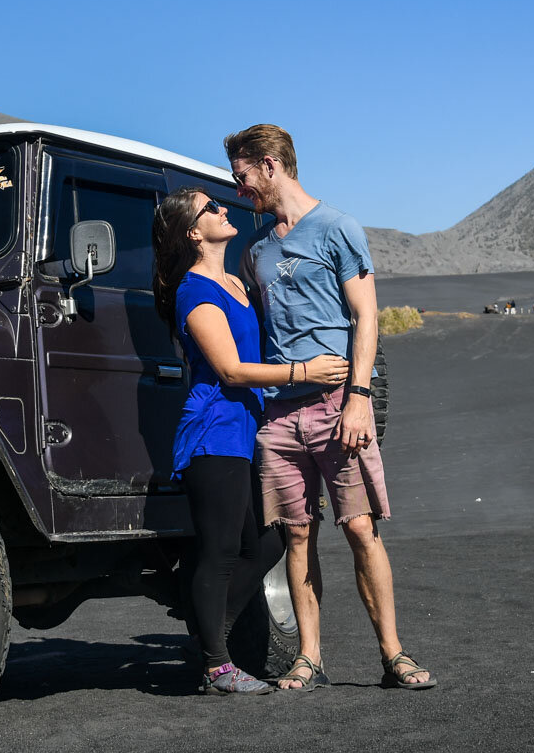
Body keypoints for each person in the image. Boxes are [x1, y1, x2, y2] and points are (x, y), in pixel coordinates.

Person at [224, 124, 436, 692]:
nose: (239, 188)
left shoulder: (338, 228)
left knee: (361, 529)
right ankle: (310, 658)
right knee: (296, 536)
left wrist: (359, 399)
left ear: (270, 165)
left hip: (336, 406)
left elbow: (365, 316)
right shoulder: (257, 249)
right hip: (280, 416)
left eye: (242, 176)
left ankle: (394, 656)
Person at [151, 187, 350, 696]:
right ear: (195, 233)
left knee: (263, 542)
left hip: (244, 432)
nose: (223, 208)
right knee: (220, 552)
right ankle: (217, 666)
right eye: (210, 208)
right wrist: (304, 371)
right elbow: (231, 369)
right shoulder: (195, 290)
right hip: (213, 432)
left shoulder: (237, 281)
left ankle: (208, 640)